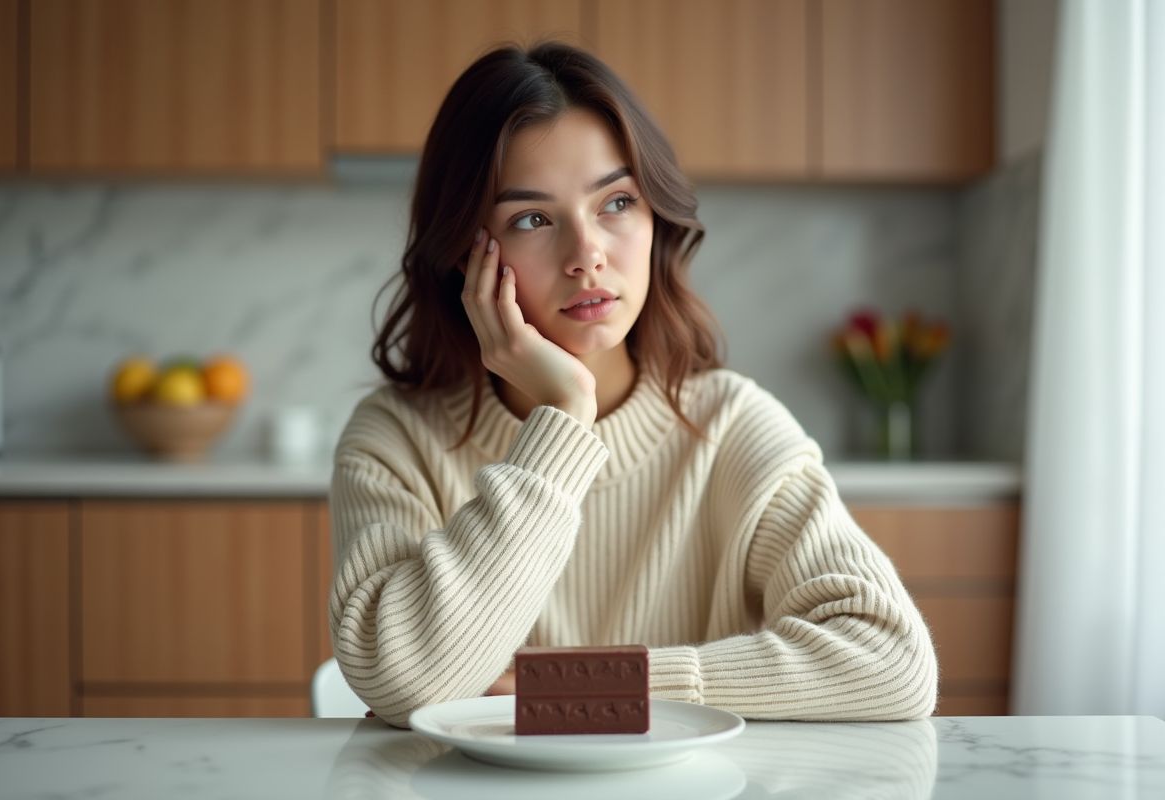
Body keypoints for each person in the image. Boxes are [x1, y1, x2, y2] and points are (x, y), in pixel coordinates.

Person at [329, 41, 937, 728]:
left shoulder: (731, 424)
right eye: (532, 218)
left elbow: (892, 663)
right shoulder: (397, 437)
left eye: (616, 202)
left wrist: (590, 686)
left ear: (656, 220)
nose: (586, 254)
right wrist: (565, 415)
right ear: (467, 256)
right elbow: (403, 679)